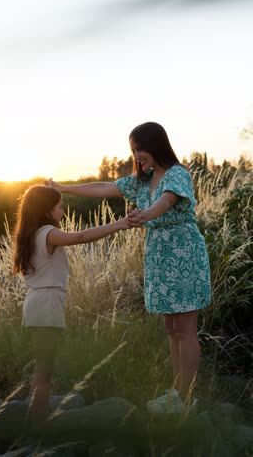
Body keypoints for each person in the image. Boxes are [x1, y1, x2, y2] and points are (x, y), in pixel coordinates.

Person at [46, 121, 211, 407]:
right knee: (171, 327)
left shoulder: (178, 174)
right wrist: (64, 188)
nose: (136, 156)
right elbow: (105, 187)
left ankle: (187, 399)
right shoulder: (143, 179)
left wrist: (146, 214)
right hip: (160, 257)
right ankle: (177, 392)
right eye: (133, 151)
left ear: (155, 145)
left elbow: (168, 201)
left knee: (185, 328)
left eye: (139, 149)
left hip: (184, 255)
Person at [12, 185, 130, 424]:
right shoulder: (47, 233)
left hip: (37, 300)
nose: (64, 211)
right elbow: (81, 237)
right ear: (46, 210)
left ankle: (36, 415)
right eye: (60, 206)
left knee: (42, 364)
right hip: (47, 303)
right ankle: (39, 421)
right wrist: (121, 223)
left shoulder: (31, 233)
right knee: (45, 367)